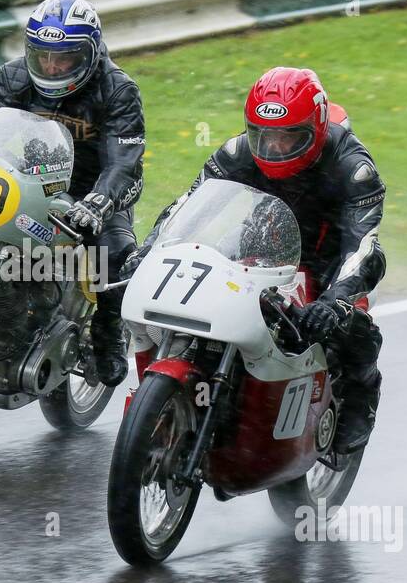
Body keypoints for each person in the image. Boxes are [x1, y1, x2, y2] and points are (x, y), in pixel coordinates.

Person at [127, 67, 386, 452]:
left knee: (352, 320)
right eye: (263, 136)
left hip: (332, 257)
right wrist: (149, 250)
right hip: (266, 241)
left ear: (315, 131)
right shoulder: (238, 153)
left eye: (288, 137)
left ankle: (361, 399)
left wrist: (335, 302)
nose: (274, 147)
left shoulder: (353, 168)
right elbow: (187, 206)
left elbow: (361, 244)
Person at [0, 0, 146, 387]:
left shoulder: (118, 90)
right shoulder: (13, 77)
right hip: (31, 178)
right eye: (43, 56)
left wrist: (99, 202)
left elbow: (122, 163)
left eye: (65, 58)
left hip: (96, 187)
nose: (52, 66)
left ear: (89, 54)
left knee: (113, 255)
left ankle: (108, 334)